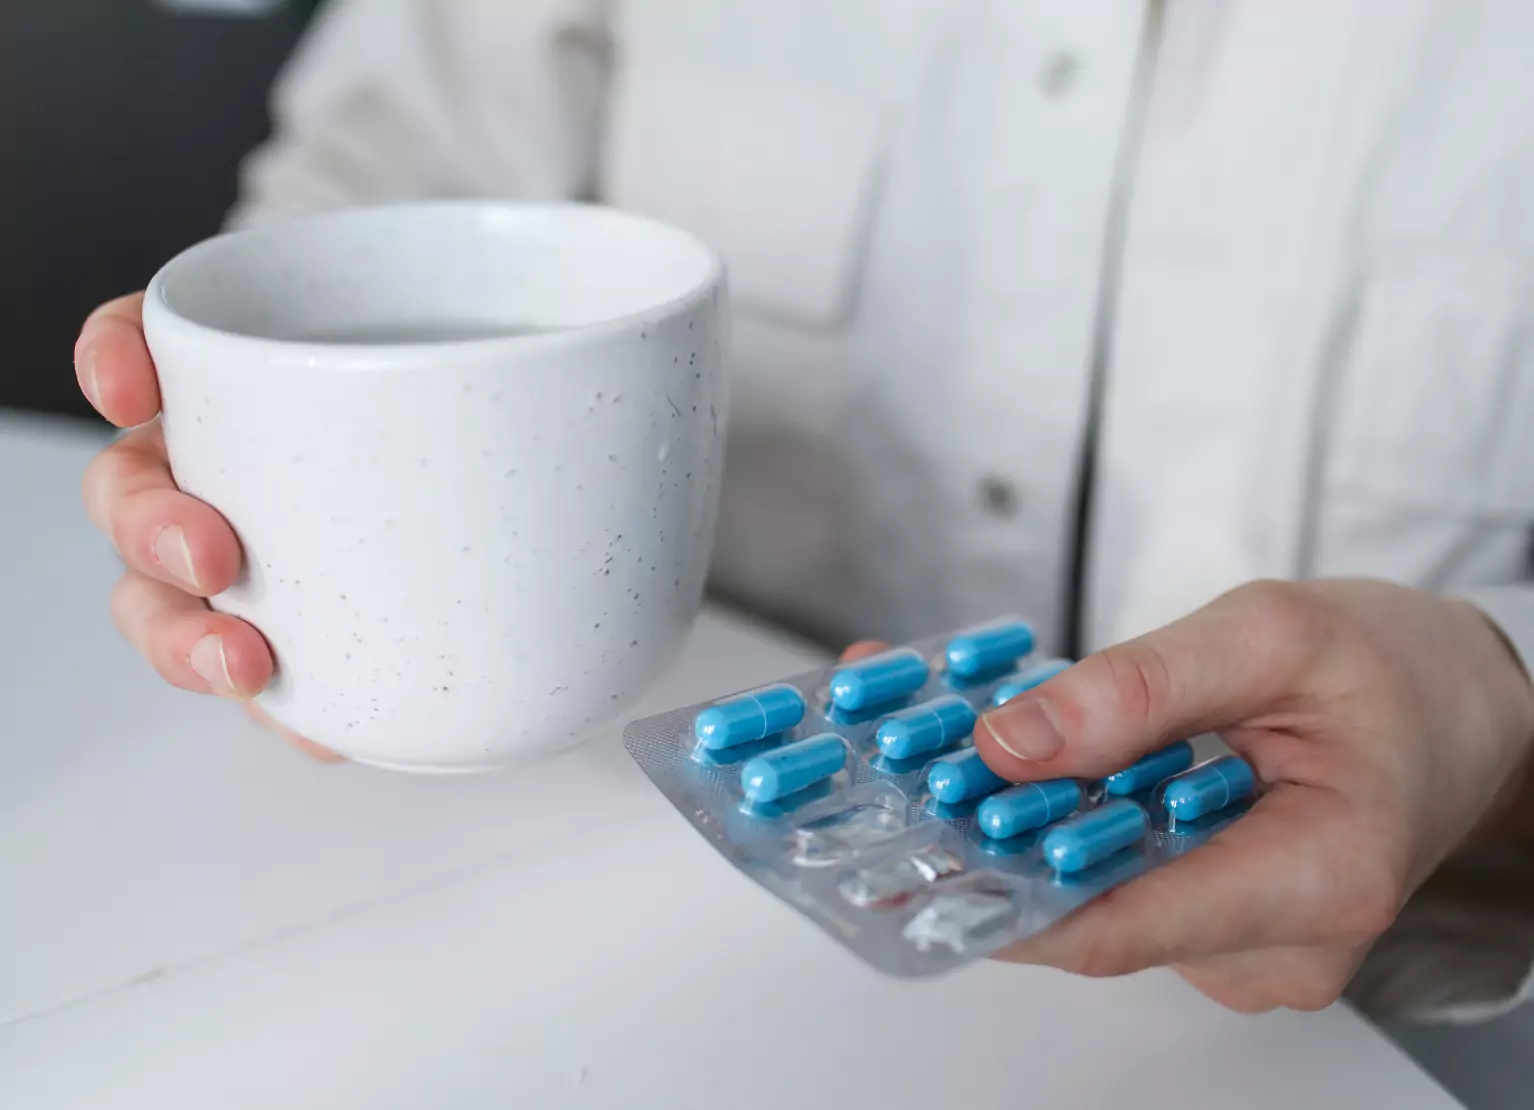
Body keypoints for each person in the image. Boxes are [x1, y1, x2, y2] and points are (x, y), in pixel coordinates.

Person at [73, 0, 1534, 1020]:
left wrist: (1499, 713)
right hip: (602, 934)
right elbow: (361, 201)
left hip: (1354, 1033)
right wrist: (237, 431)